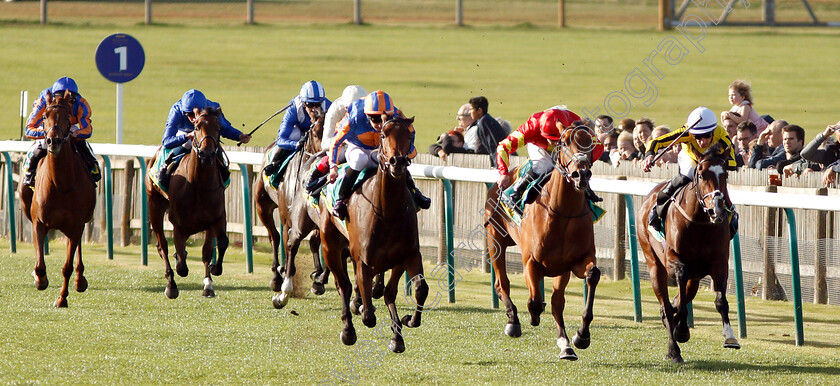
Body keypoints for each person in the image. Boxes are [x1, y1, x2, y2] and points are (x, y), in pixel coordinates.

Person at [326, 90, 431, 220]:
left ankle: (415, 192)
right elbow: (335, 142)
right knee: (360, 160)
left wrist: (408, 150)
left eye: (383, 118)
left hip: (379, 148)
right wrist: (333, 167)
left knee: (395, 160)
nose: (380, 124)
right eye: (375, 119)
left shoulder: (396, 115)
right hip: (357, 147)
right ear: (366, 115)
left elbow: (410, 130)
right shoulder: (353, 119)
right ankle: (341, 200)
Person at [642, 106, 736, 236]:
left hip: (711, 162)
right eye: (697, 137)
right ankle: (659, 206)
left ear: (713, 131)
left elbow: (732, 159)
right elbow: (656, 142)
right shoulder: (686, 132)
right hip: (691, 159)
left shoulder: (721, 136)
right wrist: (649, 155)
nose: (701, 141)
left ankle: (731, 211)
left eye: (706, 136)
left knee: (715, 182)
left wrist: (720, 164)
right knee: (686, 176)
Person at [496, 107, 602, 215]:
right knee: (544, 166)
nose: (555, 143)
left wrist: (584, 161)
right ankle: (516, 192)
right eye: (552, 140)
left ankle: (587, 191)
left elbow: (598, 145)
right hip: (539, 146)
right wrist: (503, 173)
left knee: (574, 166)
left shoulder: (574, 123)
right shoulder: (531, 127)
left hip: (566, 145)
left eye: (557, 140)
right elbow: (502, 147)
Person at [158, 89, 251, 186]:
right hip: (184, 133)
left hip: (204, 134)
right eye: (189, 115)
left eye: (197, 114)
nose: (194, 118)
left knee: (212, 143)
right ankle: (166, 165)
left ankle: (223, 170)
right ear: (184, 111)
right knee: (188, 143)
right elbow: (166, 141)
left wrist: (239, 136)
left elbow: (225, 128)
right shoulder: (176, 110)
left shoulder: (213, 108)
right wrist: (187, 136)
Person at [23, 76, 100, 187]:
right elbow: (29, 129)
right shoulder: (43, 101)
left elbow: (87, 130)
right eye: (59, 98)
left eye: (70, 100)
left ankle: (93, 167)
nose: (65, 103)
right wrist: (46, 133)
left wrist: (76, 134)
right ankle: (28, 172)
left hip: (67, 125)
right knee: (41, 144)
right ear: (53, 97)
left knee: (81, 142)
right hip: (47, 126)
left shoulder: (81, 104)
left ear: (75, 97)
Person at [262, 80, 332, 178]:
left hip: (317, 135)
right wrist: (296, 144)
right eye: (310, 104)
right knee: (294, 134)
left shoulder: (329, 107)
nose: (314, 108)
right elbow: (281, 139)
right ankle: (275, 162)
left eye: (318, 104)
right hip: (299, 132)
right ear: (303, 103)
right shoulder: (294, 109)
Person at [464, 96, 508, 167]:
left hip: (503, 161)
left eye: (471, 109)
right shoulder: (484, 120)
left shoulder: (485, 121)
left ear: (479, 110)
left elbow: (493, 145)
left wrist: (498, 166)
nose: (469, 112)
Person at [322, 85, 367, 152]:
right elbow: (324, 144)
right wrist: (343, 140)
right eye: (350, 108)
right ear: (344, 106)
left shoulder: (373, 109)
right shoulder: (335, 111)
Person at [802, 121, 840, 185]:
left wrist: (834, 168)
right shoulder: (832, 151)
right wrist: (824, 135)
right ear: (835, 133)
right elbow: (805, 154)